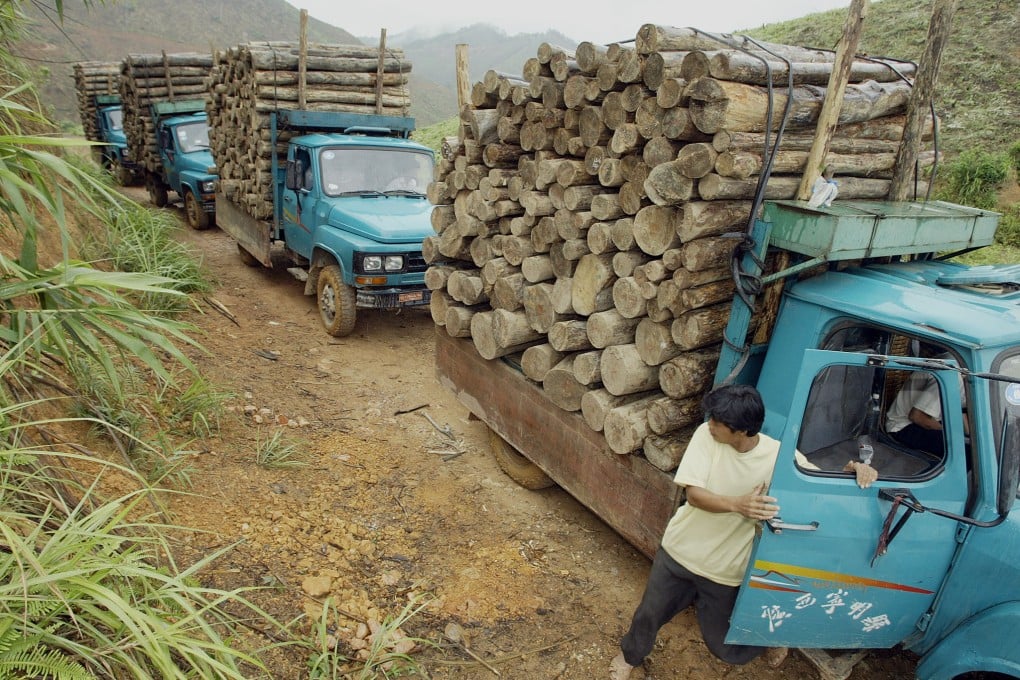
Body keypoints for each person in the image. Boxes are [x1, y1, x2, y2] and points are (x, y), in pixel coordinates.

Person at [610, 384, 876, 679]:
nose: (710, 425)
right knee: (649, 614)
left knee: (725, 649)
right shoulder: (705, 436)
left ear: (743, 431)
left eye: (718, 423)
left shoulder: (777, 456)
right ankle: (629, 655)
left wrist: (851, 470)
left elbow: (814, 484)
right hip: (680, 552)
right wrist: (740, 505)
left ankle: (769, 639)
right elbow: (695, 495)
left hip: (725, 571)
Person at [885, 361, 966, 456]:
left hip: (927, 420)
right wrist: (957, 436)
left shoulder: (960, 370)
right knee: (964, 450)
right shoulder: (950, 376)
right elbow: (917, 417)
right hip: (903, 426)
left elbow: (963, 414)